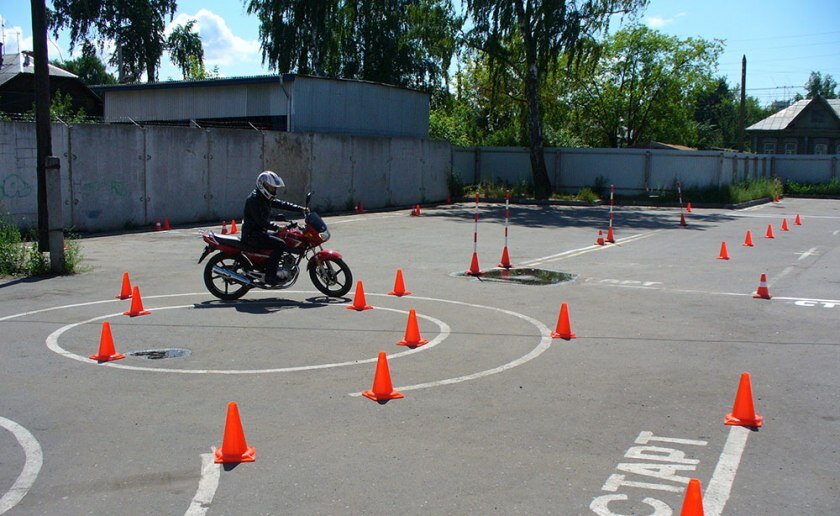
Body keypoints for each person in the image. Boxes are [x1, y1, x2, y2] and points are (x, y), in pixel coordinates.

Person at [241, 171, 306, 284]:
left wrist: (301, 209)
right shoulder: (254, 199)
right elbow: (260, 221)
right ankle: (271, 276)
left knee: (282, 238)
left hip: (259, 232)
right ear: (263, 185)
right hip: (252, 235)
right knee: (280, 244)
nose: (274, 190)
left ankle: (272, 268)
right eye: (272, 188)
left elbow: (281, 204)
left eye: (274, 188)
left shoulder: (264, 198)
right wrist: (277, 227)